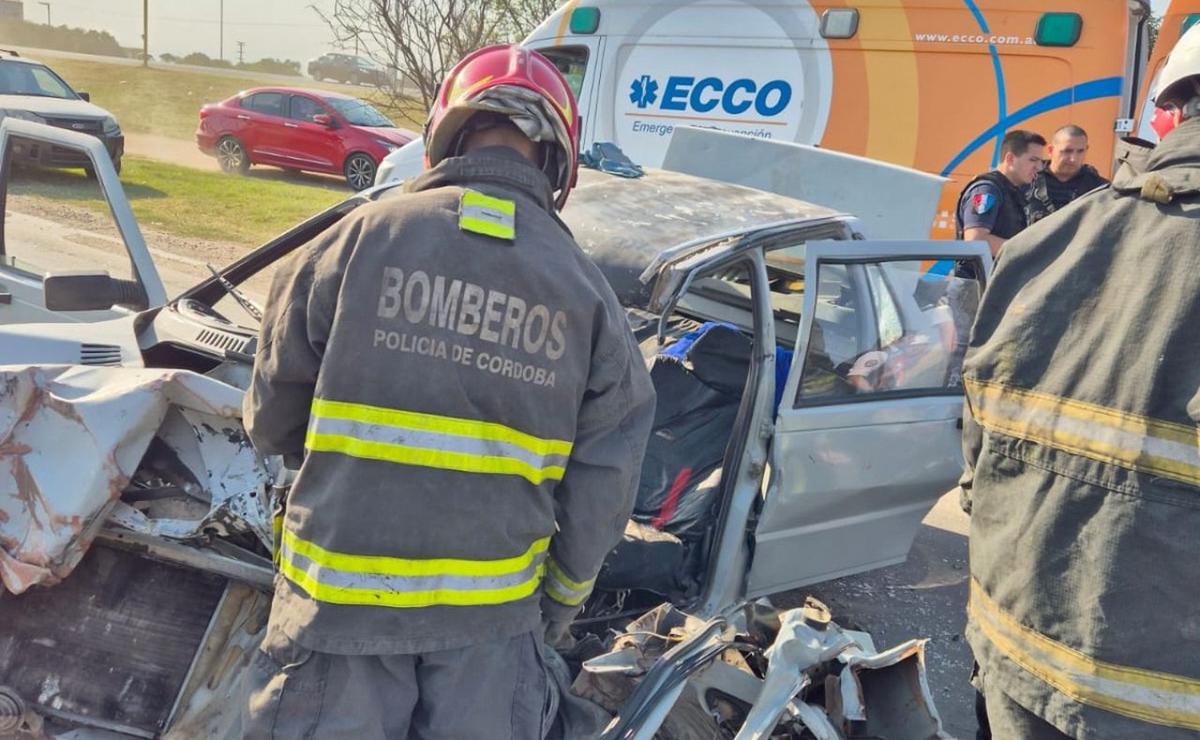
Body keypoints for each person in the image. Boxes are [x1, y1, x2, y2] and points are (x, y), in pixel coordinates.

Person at [240, 44, 656, 739]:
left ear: (445, 134)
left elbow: (272, 421)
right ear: (558, 161)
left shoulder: (354, 242)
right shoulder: (589, 300)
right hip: (488, 641)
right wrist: (553, 609)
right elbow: (601, 494)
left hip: (336, 614)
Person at [959, 24, 1200, 740]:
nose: (1058, 163)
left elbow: (978, 455)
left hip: (1014, 669)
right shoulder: (1004, 203)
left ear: (1168, 113)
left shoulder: (1048, 248)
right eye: (1051, 154)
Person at [955, 129, 1046, 257]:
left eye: (1040, 161)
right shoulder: (986, 190)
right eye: (1033, 160)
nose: (1039, 167)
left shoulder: (1015, 192)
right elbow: (976, 240)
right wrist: (1027, 251)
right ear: (1010, 159)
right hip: (981, 276)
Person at [1025, 125, 1110, 223]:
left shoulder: (1099, 188)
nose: (1073, 159)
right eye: (1067, 151)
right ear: (1050, 150)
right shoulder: (1028, 178)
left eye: (1080, 151)